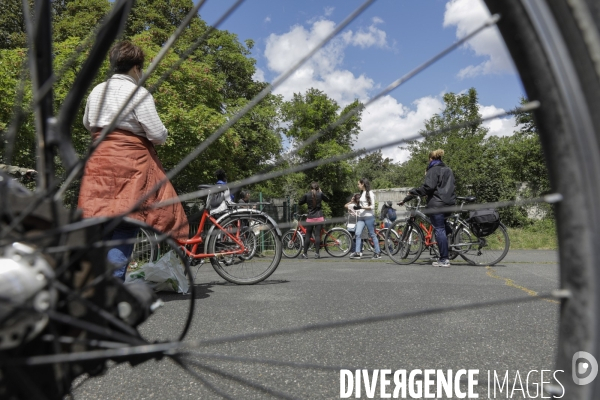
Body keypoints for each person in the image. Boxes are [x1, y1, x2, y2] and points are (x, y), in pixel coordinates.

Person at [78, 41, 188, 281]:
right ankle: (113, 286)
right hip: (129, 166)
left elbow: (88, 124)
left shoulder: (97, 91)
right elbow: (158, 135)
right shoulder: (138, 93)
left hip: (98, 164)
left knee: (100, 223)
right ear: (137, 68)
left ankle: (94, 285)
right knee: (125, 225)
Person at [399, 149, 456, 268]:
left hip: (437, 204)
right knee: (444, 227)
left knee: (439, 229)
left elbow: (428, 187)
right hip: (449, 203)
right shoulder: (448, 170)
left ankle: (444, 259)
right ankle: (451, 240)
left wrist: (413, 192)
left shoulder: (433, 170)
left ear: (431, 159)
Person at [349, 178, 381, 260]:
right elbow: (361, 206)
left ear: (363, 184)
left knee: (372, 235)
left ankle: (377, 252)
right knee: (358, 233)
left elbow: (372, 206)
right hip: (361, 217)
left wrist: (362, 207)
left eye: (358, 184)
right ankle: (358, 253)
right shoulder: (362, 193)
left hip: (369, 217)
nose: (358, 185)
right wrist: (357, 207)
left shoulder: (370, 193)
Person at [298, 182, 329, 259]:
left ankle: (305, 254)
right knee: (317, 235)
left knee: (308, 235)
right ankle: (317, 254)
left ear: (310, 188)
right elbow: (327, 200)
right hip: (319, 217)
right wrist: (321, 192)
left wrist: (306, 200)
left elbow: (300, 202)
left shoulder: (307, 195)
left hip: (310, 218)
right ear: (318, 188)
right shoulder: (320, 194)